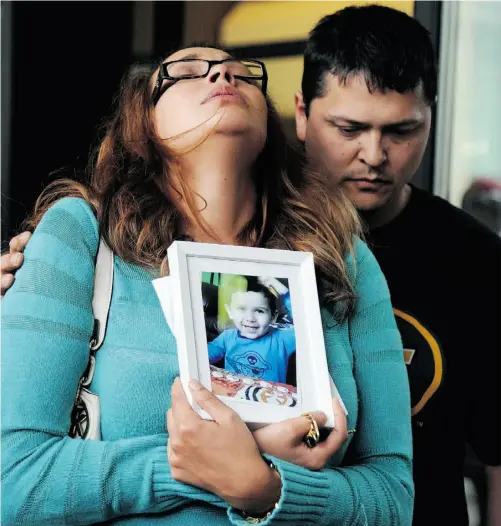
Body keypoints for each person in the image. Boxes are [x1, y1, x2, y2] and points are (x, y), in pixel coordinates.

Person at [1, 45, 414, 525]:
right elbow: (13, 481)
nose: (222, 74)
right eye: (188, 71)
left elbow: (393, 501)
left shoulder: (341, 256)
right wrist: (218, 467)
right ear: (143, 120)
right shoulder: (82, 234)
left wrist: (263, 487)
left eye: (242, 74)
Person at [292, 5, 501, 526]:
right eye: (349, 127)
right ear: (301, 114)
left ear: (431, 115)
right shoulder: (250, 233)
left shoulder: (476, 260)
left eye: (401, 131)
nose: (375, 155)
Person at [208, 276, 295, 383]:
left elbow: (306, 324)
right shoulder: (227, 337)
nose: (250, 318)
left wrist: (284, 292)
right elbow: (200, 356)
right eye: (241, 309)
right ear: (230, 311)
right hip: (233, 393)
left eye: (259, 311)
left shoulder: (282, 339)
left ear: (273, 317)